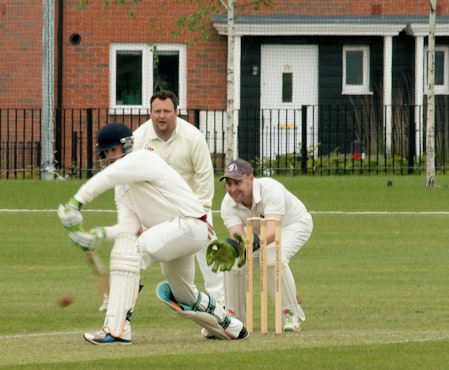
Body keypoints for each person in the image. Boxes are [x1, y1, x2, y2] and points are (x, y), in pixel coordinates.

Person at [57, 122, 249, 345]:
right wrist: (97, 235)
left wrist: (75, 203)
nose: (108, 156)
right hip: (174, 234)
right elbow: (129, 226)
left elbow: (107, 177)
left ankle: (117, 329)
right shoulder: (123, 187)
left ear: (127, 146)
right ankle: (232, 327)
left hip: (189, 226)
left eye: (112, 150)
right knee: (183, 294)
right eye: (105, 152)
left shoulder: (142, 158)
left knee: (130, 251)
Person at [131, 90, 226, 310]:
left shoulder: (193, 136)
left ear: (176, 112)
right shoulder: (139, 138)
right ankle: (131, 299)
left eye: (166, 111)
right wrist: (137, 216)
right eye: (157, 111)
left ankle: (221, 303)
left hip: (193, 205)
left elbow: (204, 176)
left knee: (208, 246)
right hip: (157, 208)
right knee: (143, 250)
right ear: (150, 112)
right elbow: (132, 181)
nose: (161, 116)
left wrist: (201, 216)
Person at [206, 159, 312, 333]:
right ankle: (233, 319)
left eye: (237, 182)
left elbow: (273, 231)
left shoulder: (271, 189)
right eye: (229, 184)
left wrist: (251, 242)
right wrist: (234, 248)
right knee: (234, 261)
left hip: (294, 224)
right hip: (259, 235)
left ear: (251, 179)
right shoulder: (227, 204)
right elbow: (240, 239)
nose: (233, 189)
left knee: (271, 255)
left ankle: (290, 313)